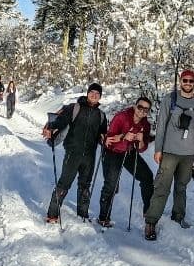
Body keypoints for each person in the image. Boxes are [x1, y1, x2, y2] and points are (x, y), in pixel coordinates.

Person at [144, 69, 194, 241]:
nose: (188, 83)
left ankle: (178, 217)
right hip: (170, 152)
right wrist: (158, 149)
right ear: (180, 82)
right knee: (162, 186)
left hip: (188, 154)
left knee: (181, 187)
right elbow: (161, 125)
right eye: (185, 80)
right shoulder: (169, 99)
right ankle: (151, 221)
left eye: (190, 81)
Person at [42, 82, 108, 222]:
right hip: (73, 153)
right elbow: (61, 121)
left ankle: (83, 215)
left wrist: (104, 138)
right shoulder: (75, 108)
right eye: (92, 92)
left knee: (85, 187)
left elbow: (102, 133)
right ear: (87, 93)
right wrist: (51, 129)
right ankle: (52, 214)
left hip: (90, 156)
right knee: (64, 184)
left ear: (100, 97)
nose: (94, 95)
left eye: (97, 94)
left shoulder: (101, 115)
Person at [97, 96, 155, 228]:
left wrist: (140, 140)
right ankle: (103, 218)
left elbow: (142, 149)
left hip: (129, 153)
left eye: (146, 109)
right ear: (135, 106)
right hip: (112, 152)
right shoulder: (122, 117)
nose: (142, 111)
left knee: (147, 176)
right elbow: (109, 138)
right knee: (110, 185)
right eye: (140, 107)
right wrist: (123, 136)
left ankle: (148, 211)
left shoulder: (145, 124)